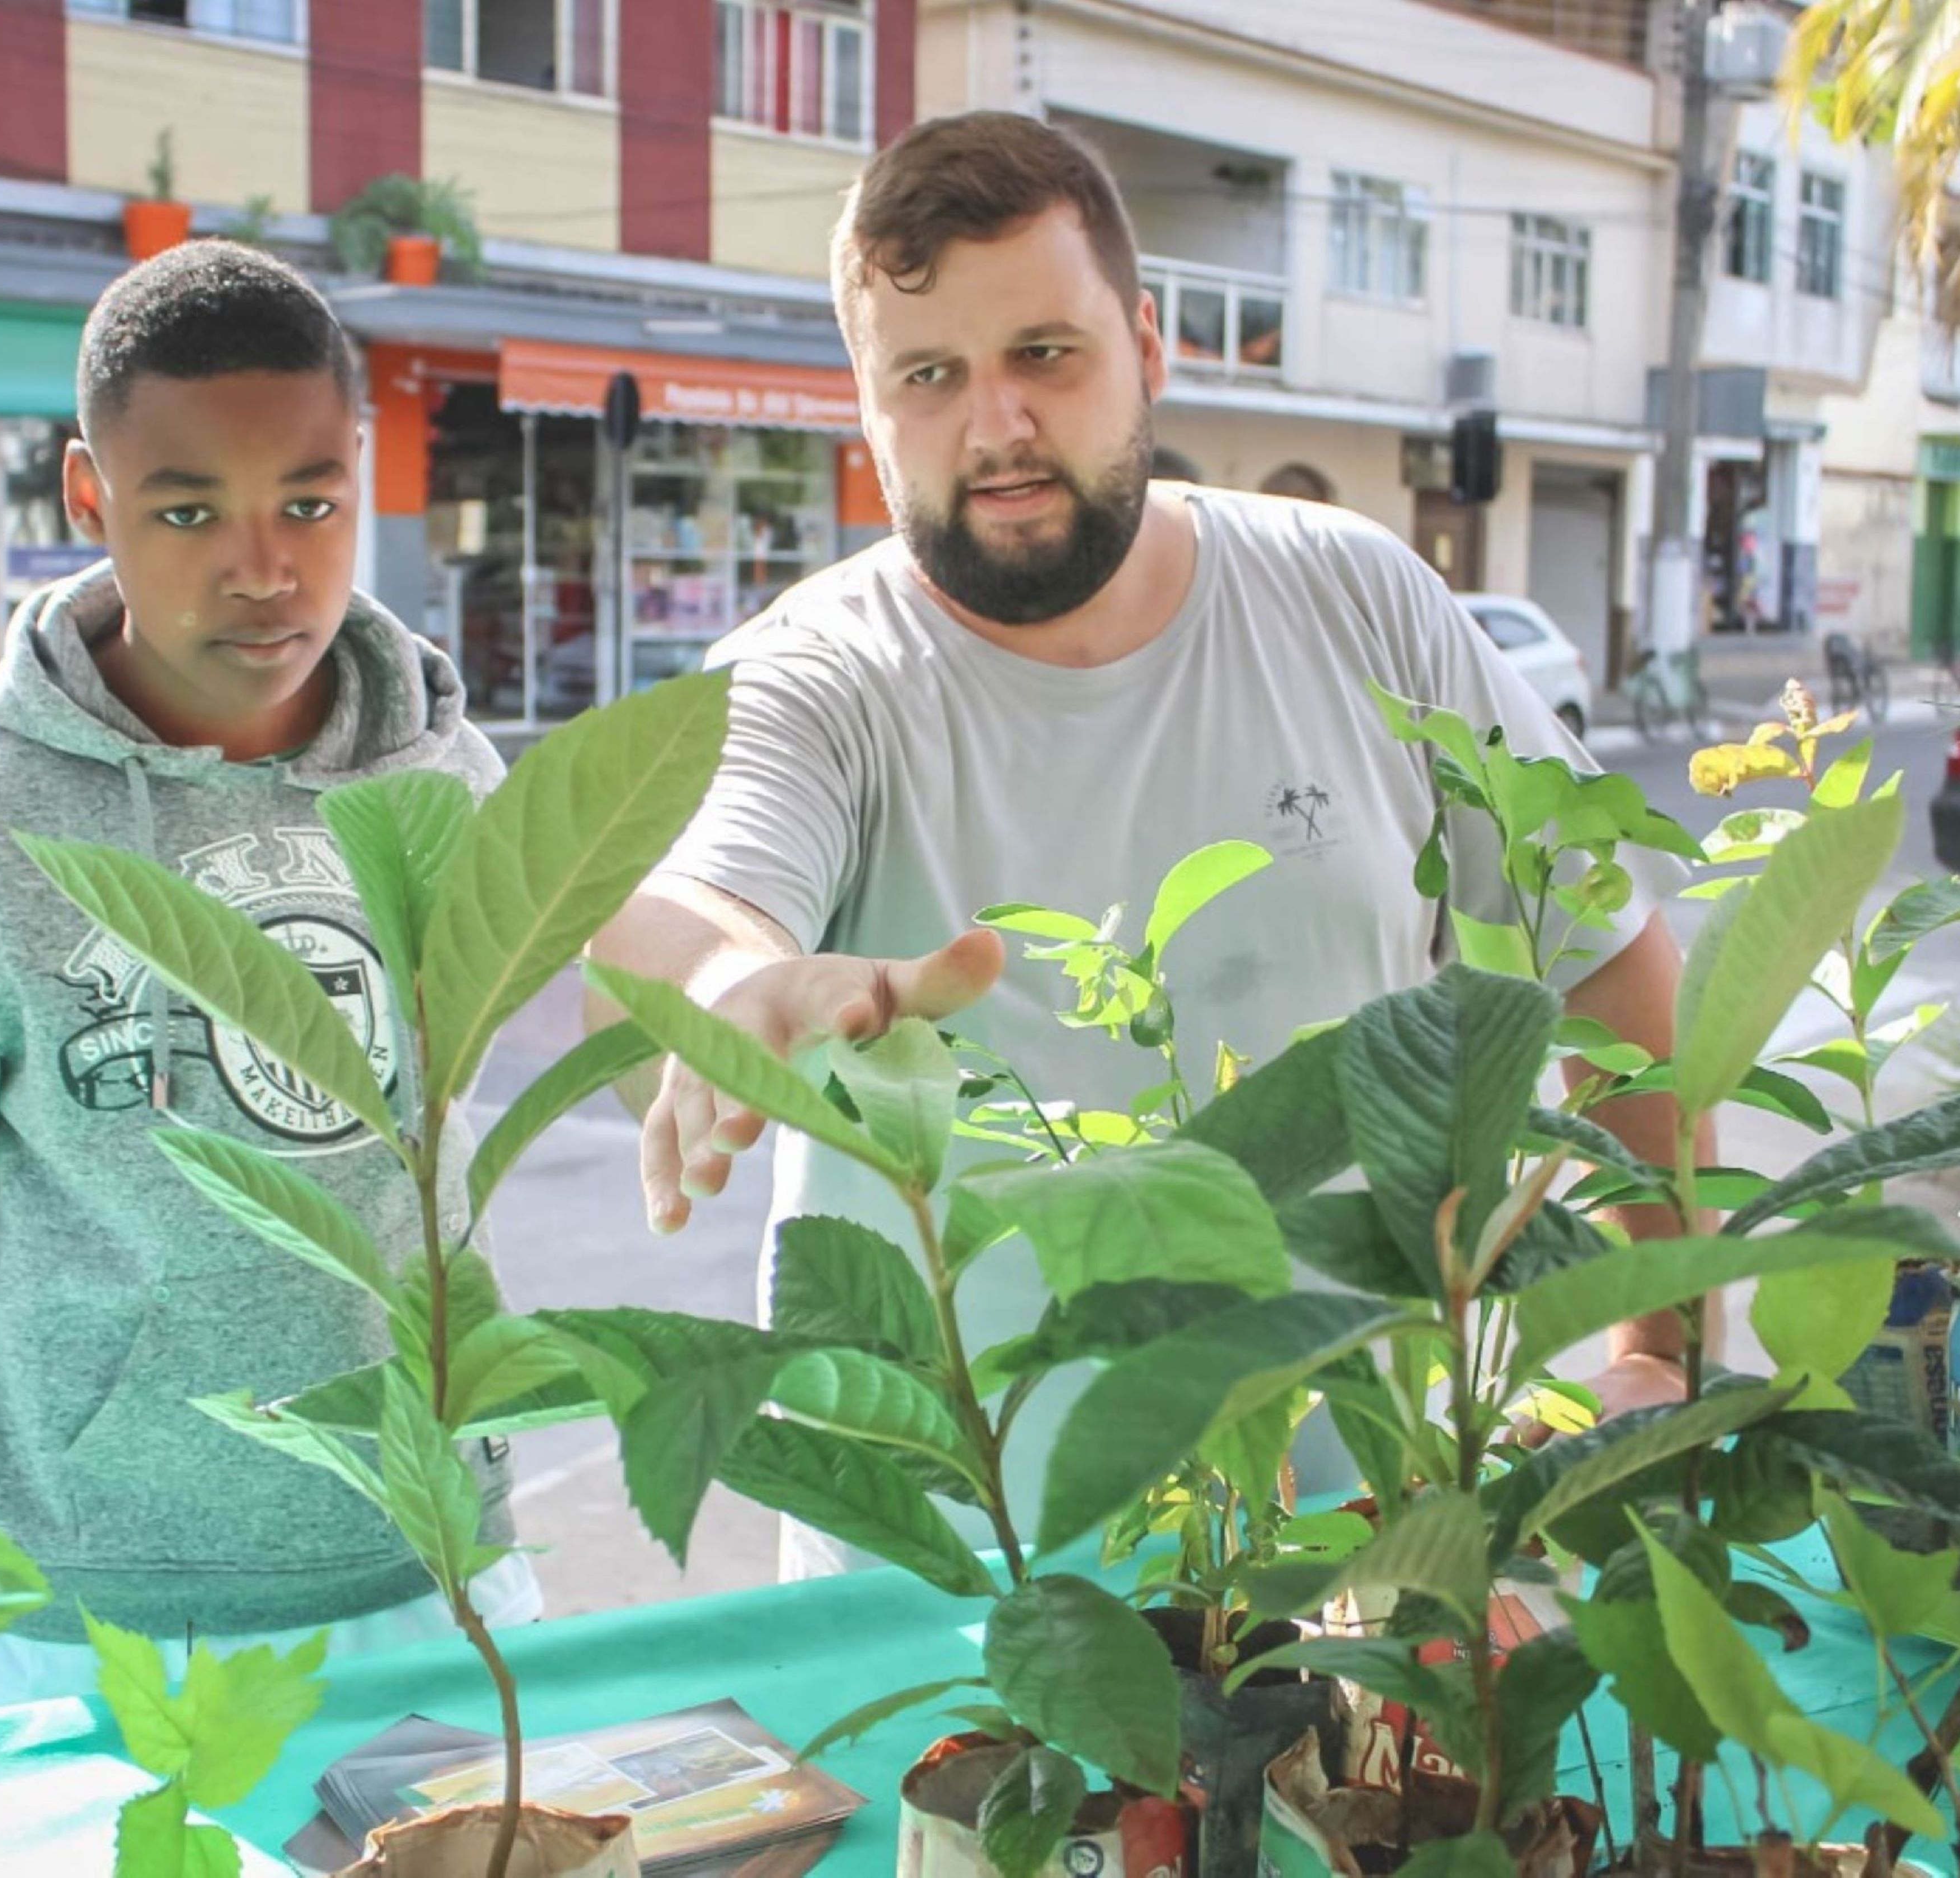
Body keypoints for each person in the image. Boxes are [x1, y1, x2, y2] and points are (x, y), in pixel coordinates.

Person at [586, 112, 1708, 1566]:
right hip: (965, 1603)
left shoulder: (1357, 597)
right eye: (929, 376)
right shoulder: (820, 676)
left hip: (1367, 1561)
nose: (996, 425)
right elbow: (691, 898)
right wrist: (733, 989)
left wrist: (1657, 1347)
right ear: (867, 408)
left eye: (1045, 353)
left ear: (1148, 348)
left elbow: (1609, 958)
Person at [0, 242, 532, 1726]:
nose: (264, 569)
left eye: (310, 503)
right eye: (190, 511)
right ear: (89, 496)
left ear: (360, 472)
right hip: (80, 1625)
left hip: (433, 1576)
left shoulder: (449, 785)